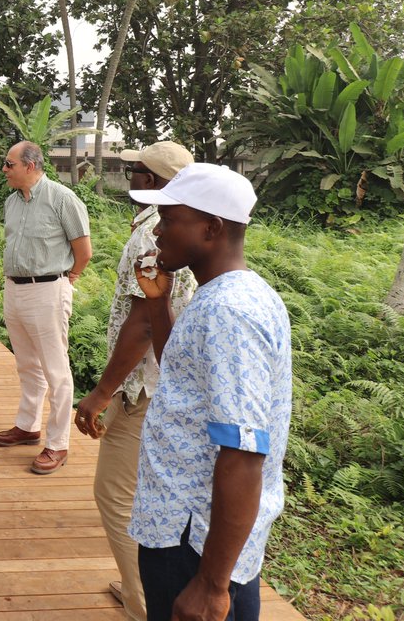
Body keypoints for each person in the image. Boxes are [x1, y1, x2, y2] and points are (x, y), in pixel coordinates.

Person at [126, 163, 291, 621]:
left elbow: (243, 451)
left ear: (211, 228)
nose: (157, 231)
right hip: (190, 533)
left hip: (194, 543)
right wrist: (158, 302)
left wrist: (211, 585)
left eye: (169, 218)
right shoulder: (230, 294)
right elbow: (183, 373)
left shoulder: (228, 313)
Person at [73, 141, 198, 620]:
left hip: (141, 388)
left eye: (137, 171)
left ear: (156, 181)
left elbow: (145, 321)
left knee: (113, 493)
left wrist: (102, 392)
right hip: (159, 382)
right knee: (144, 490)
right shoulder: (164, 225)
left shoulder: (154, 234)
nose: (131, 178)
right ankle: (139, 585)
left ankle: (142, 602)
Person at [0, 140, 92, 476]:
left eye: (9, 164)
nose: (4, 170)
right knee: (26, 364)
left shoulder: (62, 198)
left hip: (48, 289)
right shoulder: (12, 202)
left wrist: (69, 278)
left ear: (30, 166)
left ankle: (58, 443)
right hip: (15, 289)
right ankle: (27, 426)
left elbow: (84, 251)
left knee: (55, 370)